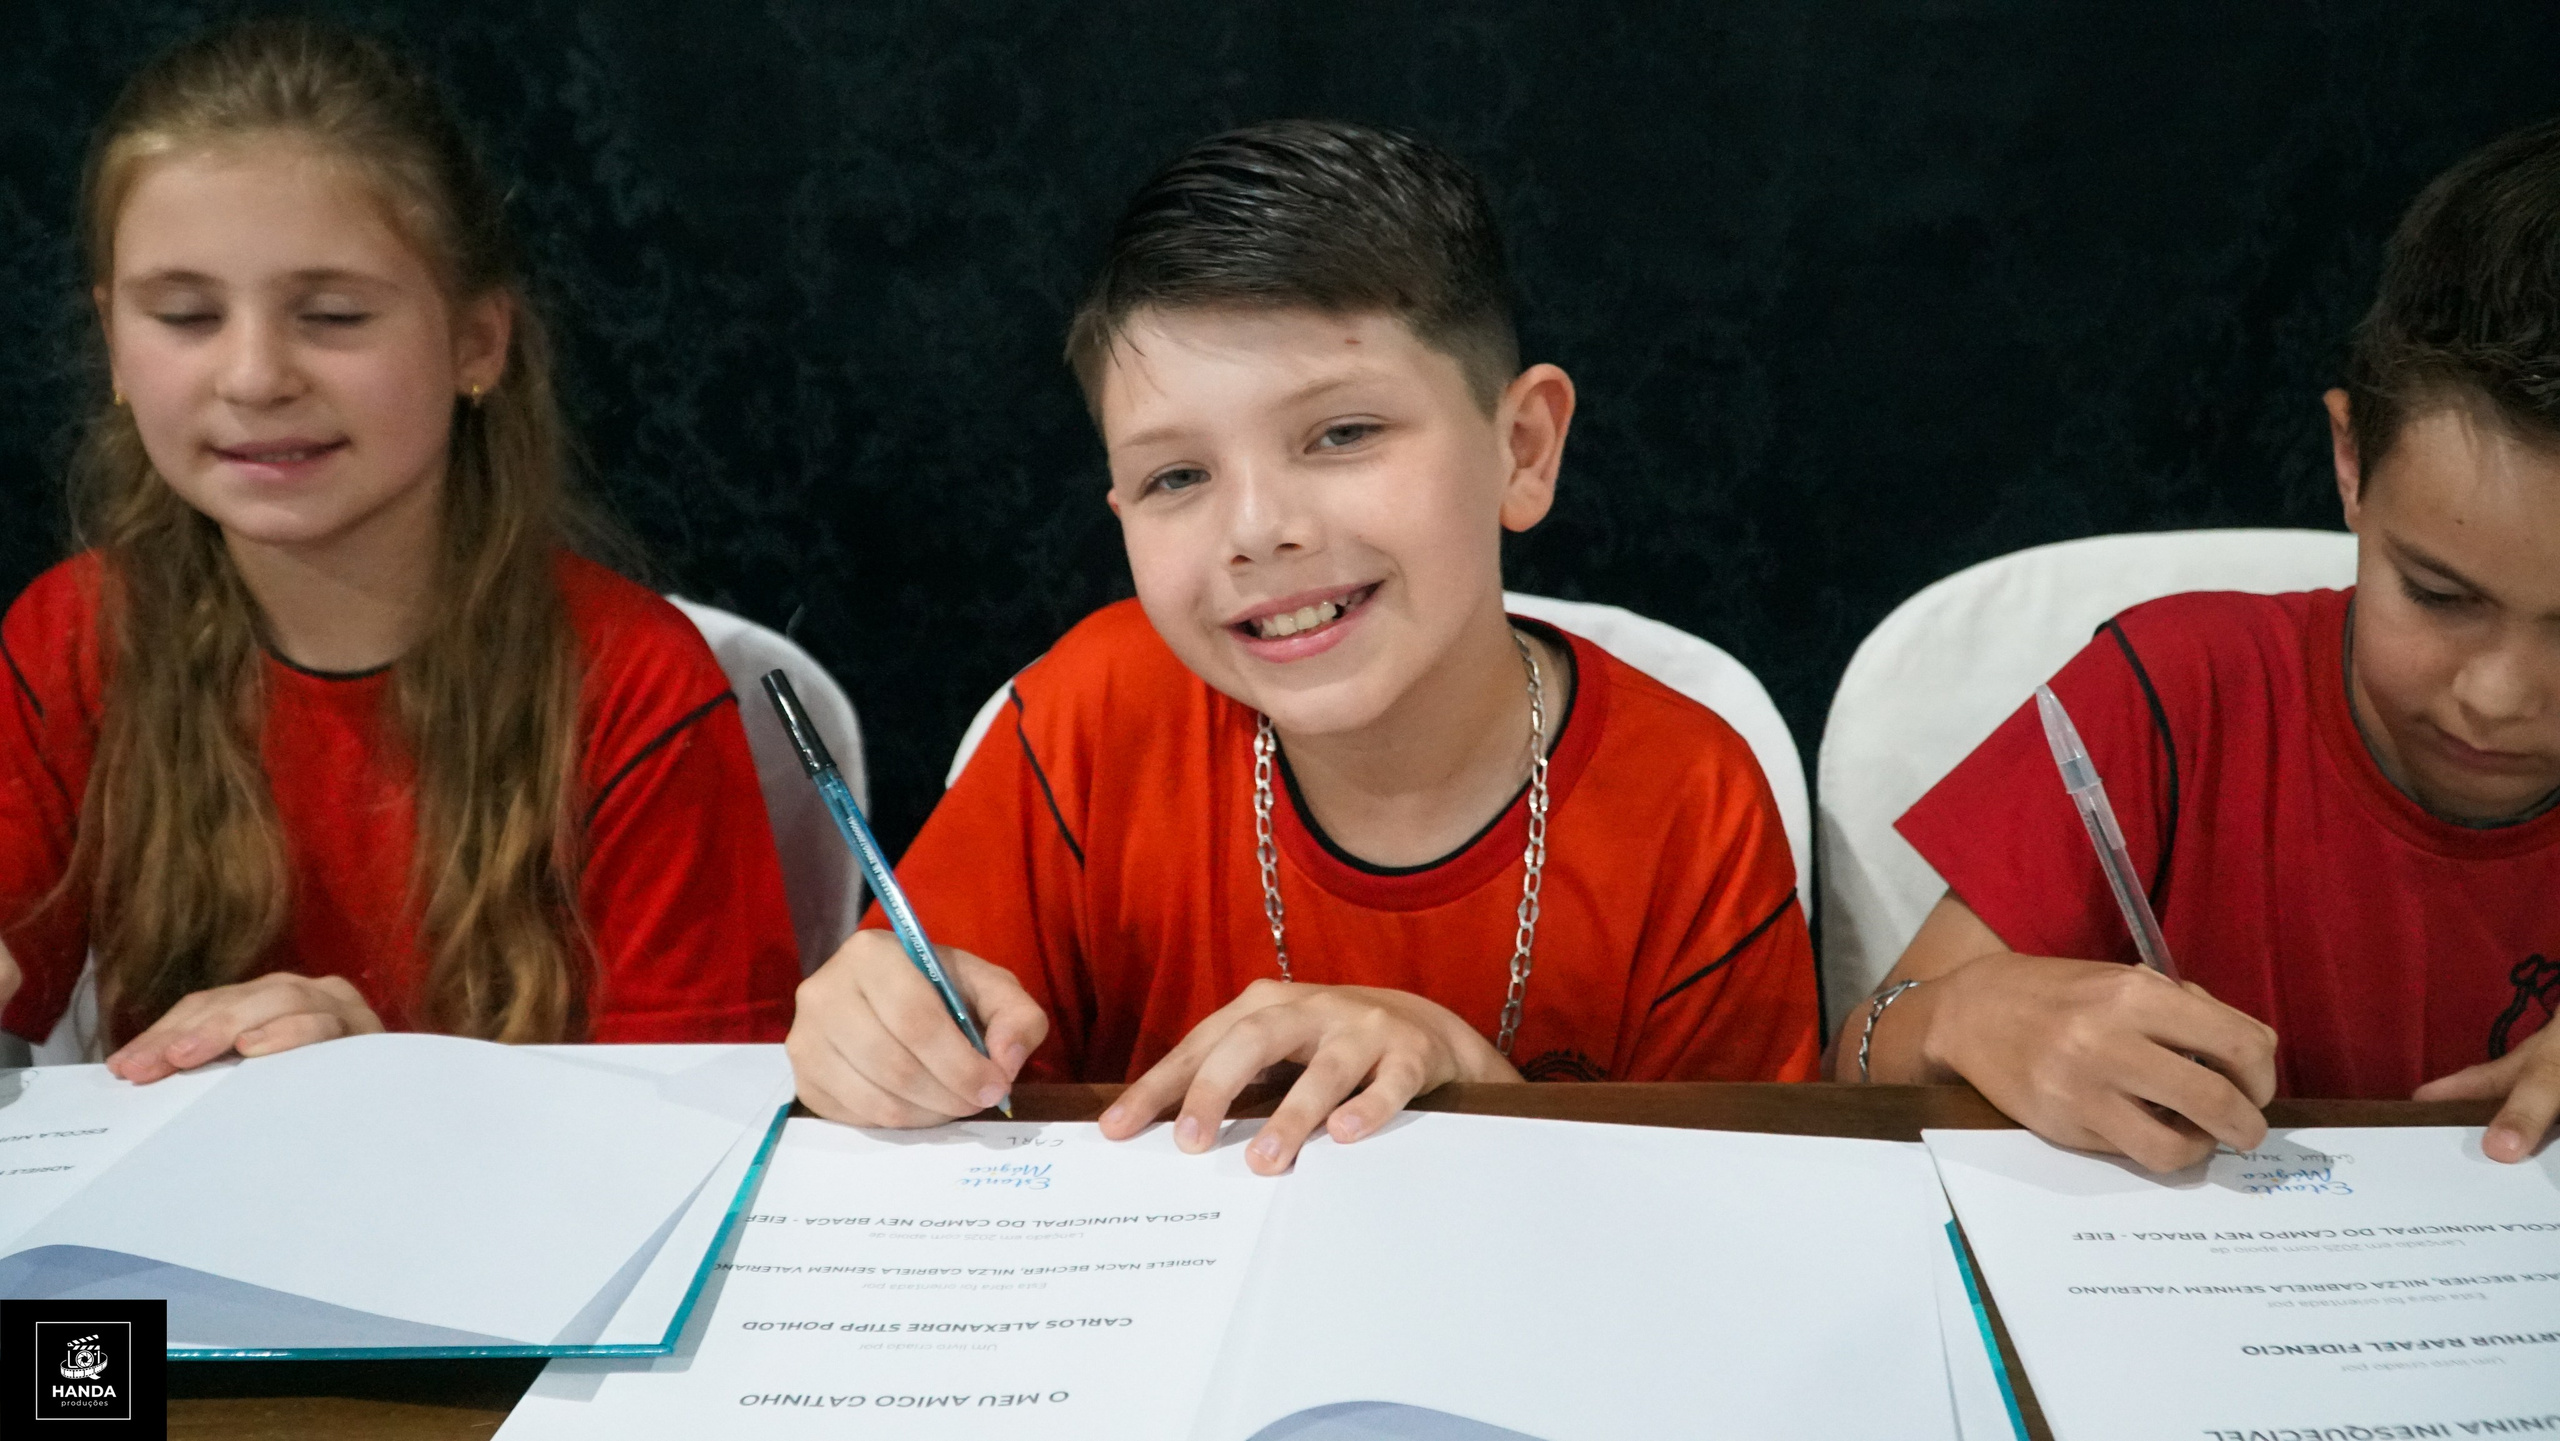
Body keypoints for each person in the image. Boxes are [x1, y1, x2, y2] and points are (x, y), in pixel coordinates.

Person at [789, 120, 1819, 1172]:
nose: (1254, 529)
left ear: (1522, 449)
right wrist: (870, 1035)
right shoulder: (1087, 716)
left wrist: (1465, 1073)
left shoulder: (1690, 798)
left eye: (1341, 434)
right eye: (1177, 476)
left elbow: (1738, 1223)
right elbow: (914, 1011)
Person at [0, 19, 801, 1075]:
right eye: (186, 315)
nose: (252, 377)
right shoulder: (71, 635)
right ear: (113, 342)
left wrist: (385, 1092)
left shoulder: (634, 684)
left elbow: (700, 1123)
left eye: (331, 316)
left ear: (477, 341)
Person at [1842, 118, 2560, 1170]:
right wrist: (1957, 1018)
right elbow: (1855, 1060)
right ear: (2351, 461)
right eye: (2439, 595)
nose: (2497, 697)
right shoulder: (2175, 697)